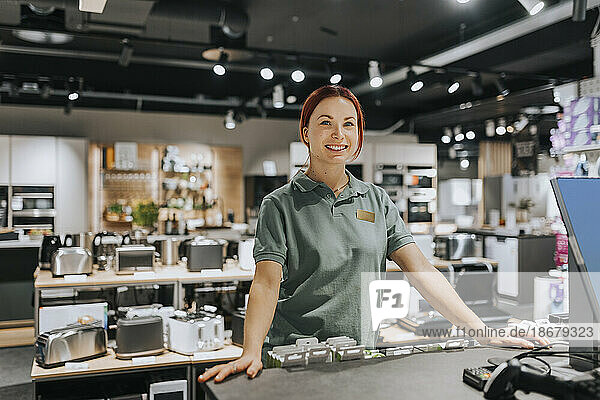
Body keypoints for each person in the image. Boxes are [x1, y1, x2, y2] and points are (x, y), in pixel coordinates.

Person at [198, 85, 548, 383]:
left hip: (361, 353)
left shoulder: (376, 200)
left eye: (349, 124)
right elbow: (265, 284)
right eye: (326, 124)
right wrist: (251, 351)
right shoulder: (280, 204)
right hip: (294, 358)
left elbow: (422, 271)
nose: (339, 134)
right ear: (305, 132)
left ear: (358, 135)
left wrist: (481, 330)